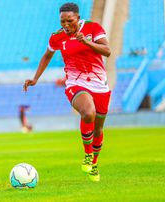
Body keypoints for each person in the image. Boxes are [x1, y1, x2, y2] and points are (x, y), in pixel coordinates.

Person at [24, 3, 111, 182]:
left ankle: (94, 164)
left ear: (78, 18)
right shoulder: (57, 37)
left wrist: (86, 42)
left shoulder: (93, 28)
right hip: (75, 82)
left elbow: (107, 51)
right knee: (88, 113)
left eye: (70, 20)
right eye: (63, 21)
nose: (66, 24)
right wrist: (35, 78)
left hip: (99, 84)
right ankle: (87, 155)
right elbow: (47, 55)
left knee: (98, 127)